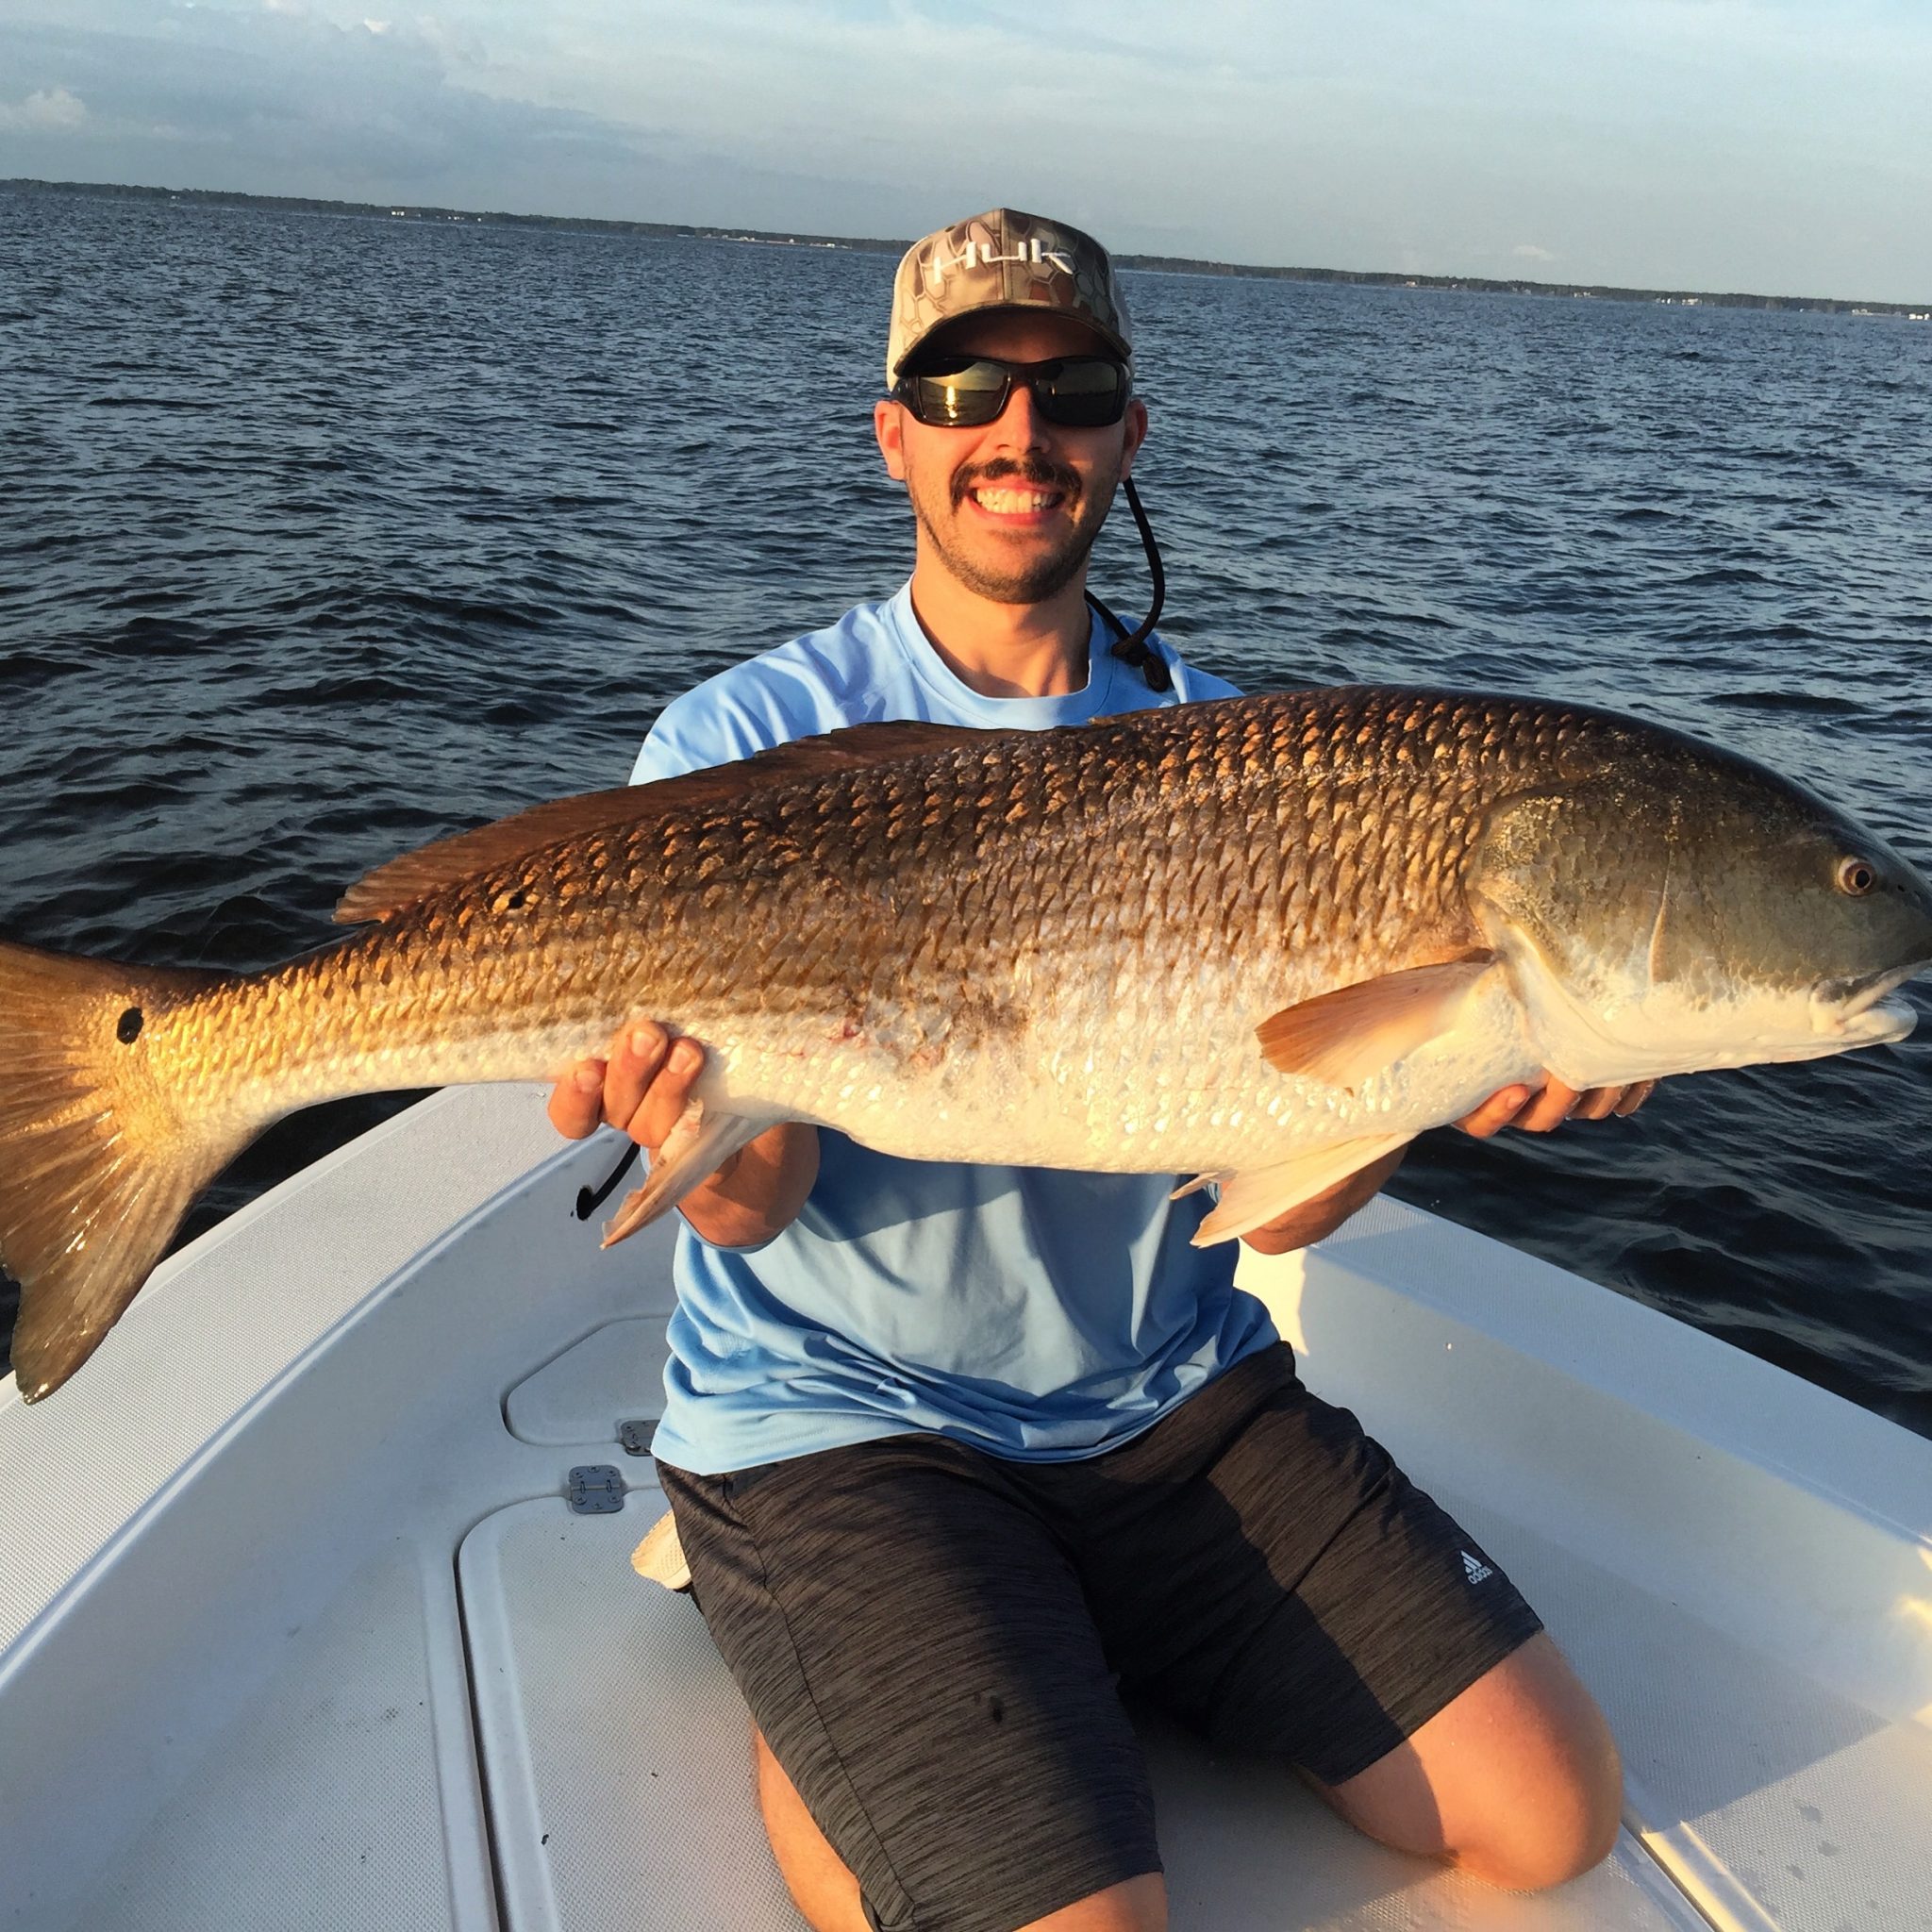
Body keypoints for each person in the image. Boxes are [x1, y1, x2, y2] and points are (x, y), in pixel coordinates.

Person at [549, 208, 1640, 1932]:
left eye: (1074, 391)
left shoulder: (1249, 754)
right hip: (852, 1428)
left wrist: (1434, 1079)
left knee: (1552, 1815)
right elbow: (748, 1216)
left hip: (1169, 1406)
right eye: (964, 386)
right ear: (894, 428)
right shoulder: (743, 740)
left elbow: (1271, 1215)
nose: (1020, 432)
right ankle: (815, 1653)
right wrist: (698, 1129)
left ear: (1130, 432)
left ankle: (1027, 1636)